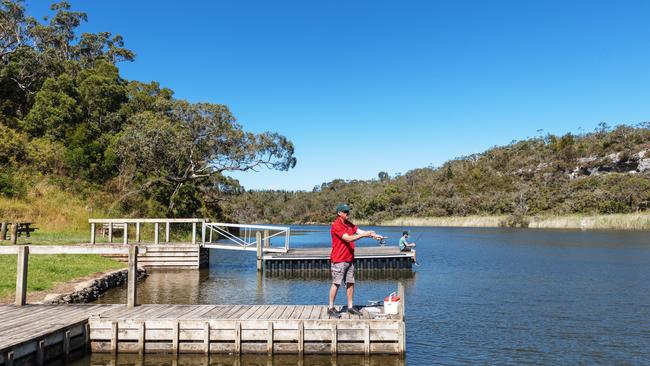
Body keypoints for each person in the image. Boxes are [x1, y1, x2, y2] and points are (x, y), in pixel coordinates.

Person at [328, 203, 384, 318]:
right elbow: (348, 238)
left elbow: (359, 231)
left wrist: (374, 235)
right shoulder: (336, 225)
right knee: (336, 283)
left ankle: (350, 307)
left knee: (351, 283)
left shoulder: (349, 224)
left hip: (349, 258)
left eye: (348, 211)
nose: (348, 213)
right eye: (345, 212)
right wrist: (365, 235)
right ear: (339, 213)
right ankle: (330, 307)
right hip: (339, 259)